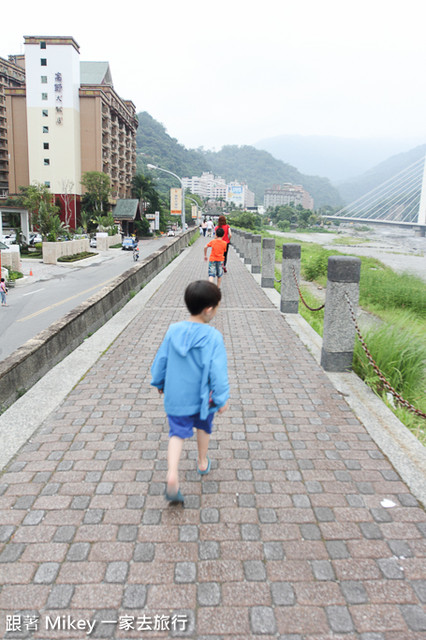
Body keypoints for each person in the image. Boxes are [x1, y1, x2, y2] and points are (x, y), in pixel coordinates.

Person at [151, 280, 229, 504]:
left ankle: (172, 474)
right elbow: (218, 372)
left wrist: (159, 382)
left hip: (176, 396)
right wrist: (222, 397)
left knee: (176, 433)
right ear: (209, 309)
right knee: (203, 427)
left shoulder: (173, 330)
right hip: (203, 398)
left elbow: (161, 360)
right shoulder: (213, 337)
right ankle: (203, 462)